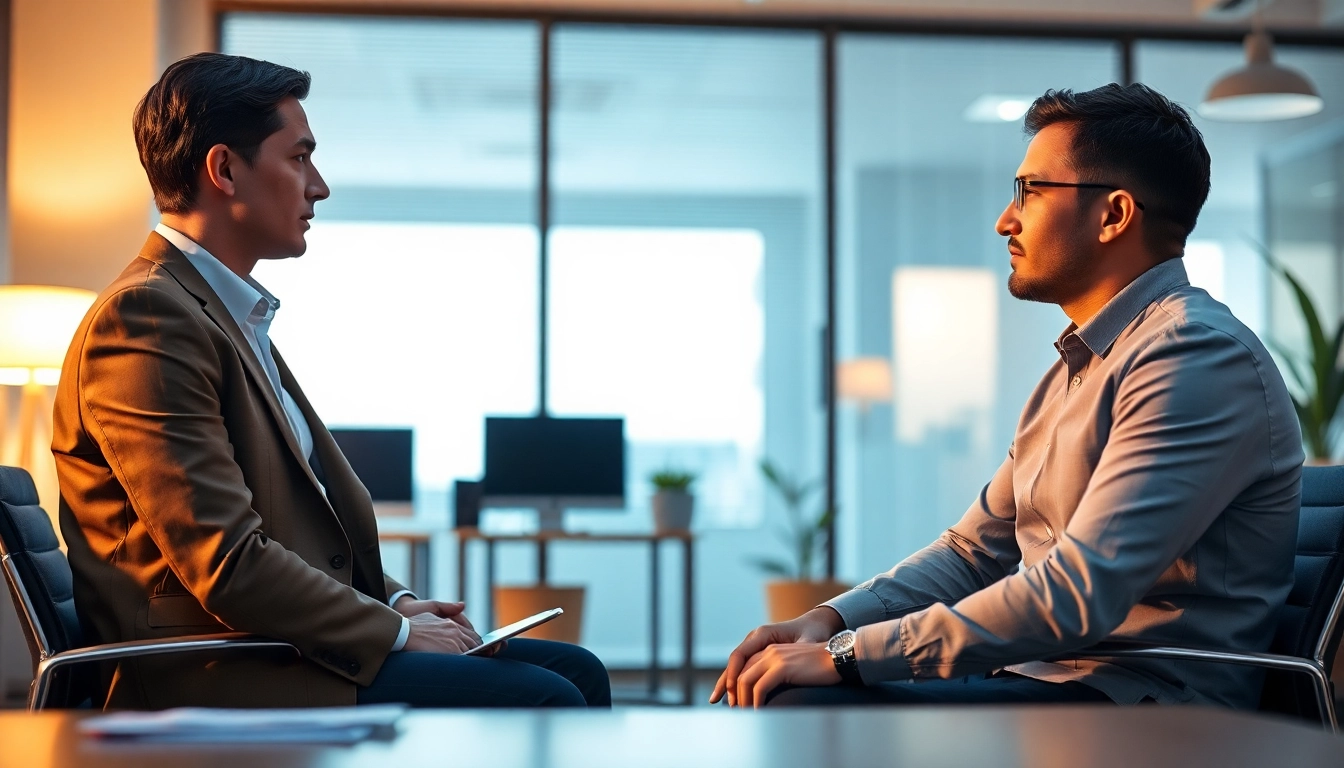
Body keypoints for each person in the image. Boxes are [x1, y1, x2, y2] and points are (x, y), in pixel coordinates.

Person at [712, 83, 1302, 709]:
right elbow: (971, 553)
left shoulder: (1194, 358)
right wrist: (829, 622)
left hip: (1140, 702)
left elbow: (1076, 594)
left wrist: (849, 655)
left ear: (1113, 215)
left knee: (806, 700)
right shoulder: (1080, 368)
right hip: (1047, 679)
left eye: (1030, 191)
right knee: (794, 688)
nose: (1005, 220)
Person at [52, 52, 609, 710]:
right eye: (299, 158)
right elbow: (227, 562)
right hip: (211, 668)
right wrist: (398, 633)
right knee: (547, 697)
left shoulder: (221, 314)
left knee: (578, 670)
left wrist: (398, 604)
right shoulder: (147, 318)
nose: (319, 186)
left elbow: (291, 536)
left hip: (268, 646)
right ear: (224, 170)